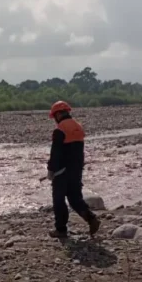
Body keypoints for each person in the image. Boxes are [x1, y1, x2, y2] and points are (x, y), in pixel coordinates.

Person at [46, 101, 101, 238]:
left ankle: (61, 229)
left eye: (54, 117)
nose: (55, 120)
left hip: (61, 171)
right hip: (76, 170)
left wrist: (51, 170)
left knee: (58, 200)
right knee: (75, 199)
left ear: (58, 114)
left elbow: (56, 152)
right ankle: (91, 219)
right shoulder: (78, 126)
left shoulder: (60, 129)